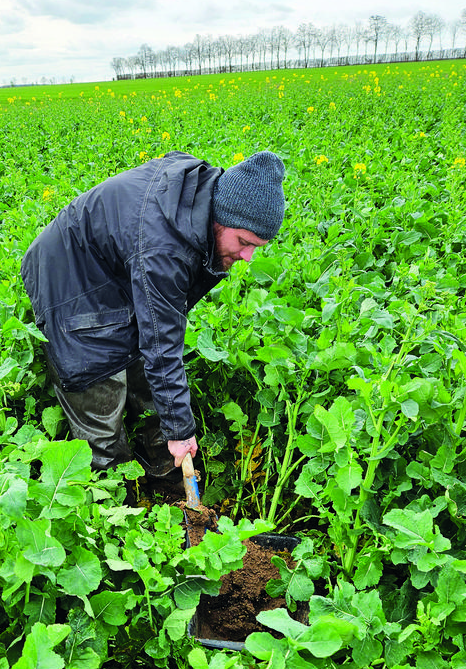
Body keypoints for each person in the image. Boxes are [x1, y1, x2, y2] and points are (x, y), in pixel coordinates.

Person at [20, 149, 285, 481]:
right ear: (221, 217)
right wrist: (180, 429)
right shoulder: (164, 248)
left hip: (115, 273)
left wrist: (177, 428)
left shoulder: (198, 196)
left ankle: (165, 475)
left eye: (256, 247)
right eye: (244, 242)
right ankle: (114, 499)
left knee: (148, 379)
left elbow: (158, 335)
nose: (247, 256)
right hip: (67, 281)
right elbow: (161, 343)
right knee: (100, 397)